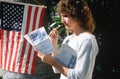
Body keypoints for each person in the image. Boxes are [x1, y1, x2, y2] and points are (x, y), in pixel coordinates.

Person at [36, 0, 99, 79]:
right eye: (61, 16)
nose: (62, 20)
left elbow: (80, 76)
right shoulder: (68, 39)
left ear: (77, 16)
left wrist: (52, 61)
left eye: (65, 16)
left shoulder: (87, 40)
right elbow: (57, 69)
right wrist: (54, 44)